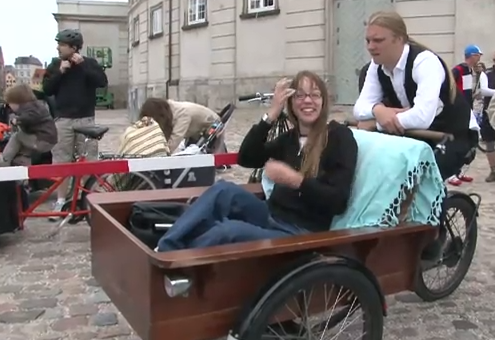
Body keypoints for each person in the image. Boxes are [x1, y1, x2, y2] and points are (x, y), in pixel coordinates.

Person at [156, 71, 358, 252]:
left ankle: (179, 261)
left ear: (323, 102)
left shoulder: (339, 137)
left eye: (314, 95)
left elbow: (338, 200)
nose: (308, 101)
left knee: (228, 231)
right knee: (223, 190)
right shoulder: (289, 139)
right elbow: (247, 157)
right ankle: (167, 247)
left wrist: (297, 181)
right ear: (291, 103)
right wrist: (271, 115)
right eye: (300, 95)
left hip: (300, 233)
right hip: (270, 215)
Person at [353, 11, 477, 260]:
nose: (371, 46)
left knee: (424, 175)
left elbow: (422, 116)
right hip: (417, 134)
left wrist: (378, 121)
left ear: (399, 39)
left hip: (453, 134)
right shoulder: (375, 69)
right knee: (380, 169)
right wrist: (380, 110)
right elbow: (360, 109)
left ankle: (434, 237)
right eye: (368, 40)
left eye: (378, 40)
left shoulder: (424, 62)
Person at [42, 29, 108, 219]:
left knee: (88, 161)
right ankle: (61, 201)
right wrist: (60, 73)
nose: (58, 47)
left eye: (61, 44)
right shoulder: (56, 64)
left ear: (73, 47)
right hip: (63, 120)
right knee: (61, 162)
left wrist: (84, 68)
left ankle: (84, 201)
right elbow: (46, 89)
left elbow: (102, 82)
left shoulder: (89, 64)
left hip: (85, 119)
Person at [450, 46, 495, 183]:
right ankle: (452, 174)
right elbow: (450, 85)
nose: (480, 58)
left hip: (467, 109)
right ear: (472, 55)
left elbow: (470, 91)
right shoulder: (458, 70)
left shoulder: (471, 71)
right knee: (459, 140)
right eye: (478, 55)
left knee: (470, 142)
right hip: (459, 110)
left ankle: (461, 172)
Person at [1, 84, 57, 166]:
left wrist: (18, 120)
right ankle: (23, 169)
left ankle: (4, 160)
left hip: (43, 140)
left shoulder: (31, 108)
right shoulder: (35, 106)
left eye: (9, 103)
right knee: (24, 151)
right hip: (44, 139)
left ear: (16, 101)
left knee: (17, 136)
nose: (9, 106)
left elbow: (30, 117)